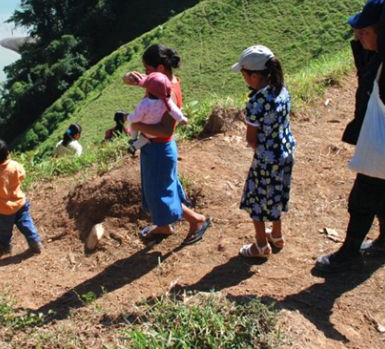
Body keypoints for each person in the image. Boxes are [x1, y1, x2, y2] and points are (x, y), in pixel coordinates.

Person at [315, 0, 385, 273]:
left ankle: (347, 254)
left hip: (384, 140)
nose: (358, 37)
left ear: (384, 33)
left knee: (362, 196)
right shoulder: (378, 52)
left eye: (364, 31)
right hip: (381, 135)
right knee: (382, 187)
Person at [123, 43, 210, 246]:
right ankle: (163, 226)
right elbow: (143, 82)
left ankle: (197, 221)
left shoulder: (168, 94)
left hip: (160, 149)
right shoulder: (163, 83)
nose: (145, 75)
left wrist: (137, 124)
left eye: (147, 70)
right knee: (157, 188)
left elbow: (166, 130)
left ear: (160, 69)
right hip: (152, 146)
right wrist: (127, 78)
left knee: (162, 192)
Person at [231, 45, 296, 259]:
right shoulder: (282, 89)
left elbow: (251, 138)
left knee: (255, 199)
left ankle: (260, 245)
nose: (243, 78)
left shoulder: (257, 102)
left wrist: (259, 149)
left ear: (253, 75)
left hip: (266, 158)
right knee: (276, 193)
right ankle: (276, 235)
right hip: (285, 152)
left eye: (244, 74)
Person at [125, 72, 188, 154]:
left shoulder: (145, 103)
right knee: (145, 137)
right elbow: (175, 111)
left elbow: (137, 117)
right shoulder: (167, 101)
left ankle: (133, 140)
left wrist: (128, 117)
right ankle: (135, 146)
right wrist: (182, 118)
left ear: (149, 90)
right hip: (155, 131)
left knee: (133, 124)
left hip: (146, 128)